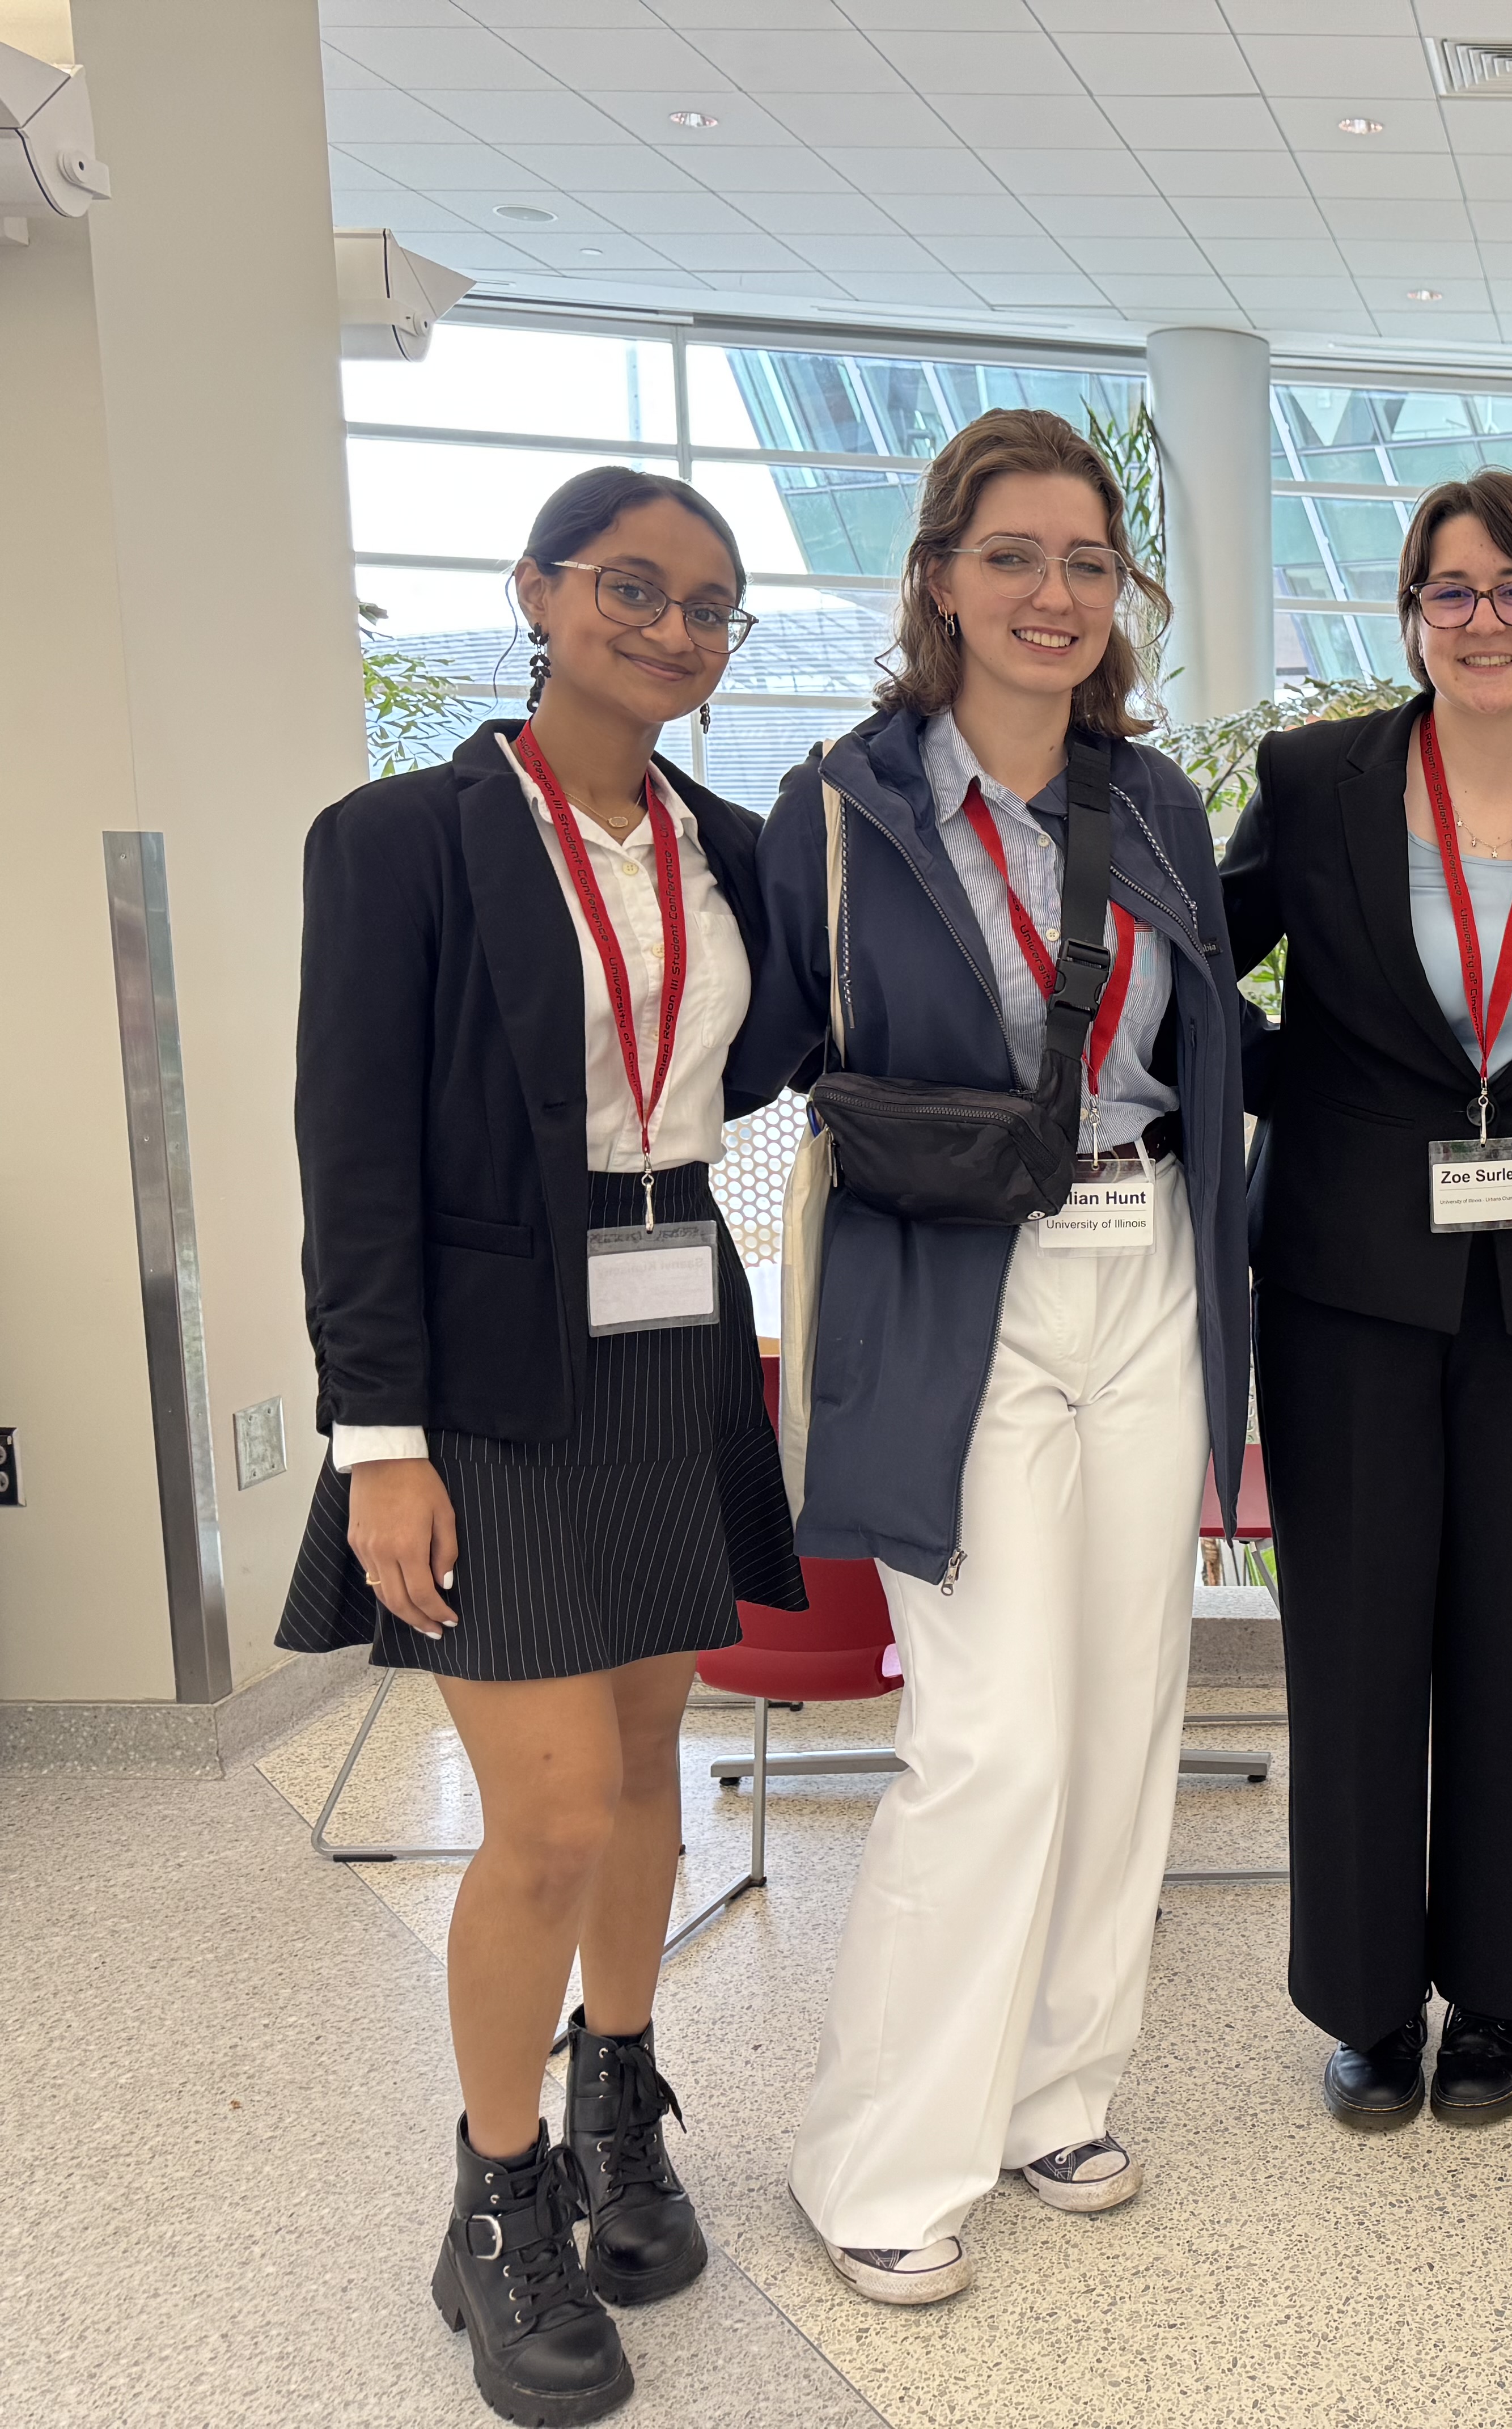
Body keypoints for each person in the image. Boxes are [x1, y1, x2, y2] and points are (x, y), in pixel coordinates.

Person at [281, 467, 801, 2426]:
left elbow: (759, 1057)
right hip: (492, 1368)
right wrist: (377, 1434)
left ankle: (619, 2094)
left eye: (710, 606)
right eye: (633, 589)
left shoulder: (733, 846)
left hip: (678, 1326)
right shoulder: (403, 840)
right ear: (540, 589)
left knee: (655, 1743)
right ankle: (494, 2192)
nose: (671, 629)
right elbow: (352, 1157)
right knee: (554, 1803)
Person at [732, 408, 1248, 2305]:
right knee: (993, 1732)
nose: (1053, 595)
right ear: (939, 572)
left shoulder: (1157, 801)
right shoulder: (841, 808)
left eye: (1089, 564)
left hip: (1146, 1265)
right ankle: (879, 2150)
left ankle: (1056, 2089)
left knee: (1124, 1718)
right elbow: (764, 1040)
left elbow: (1202, 1063)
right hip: (960, 1289)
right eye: (1015, 556)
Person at [1222, 468, 1512, 2128]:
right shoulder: (1322, 778)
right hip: (1342, 1269)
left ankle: (1505, 1989)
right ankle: (1362, 1995)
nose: (1486, 620)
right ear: (1408, 615)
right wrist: (1307, 1082)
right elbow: (1195, 968)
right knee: (1353, 1640)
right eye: (1451, 591)